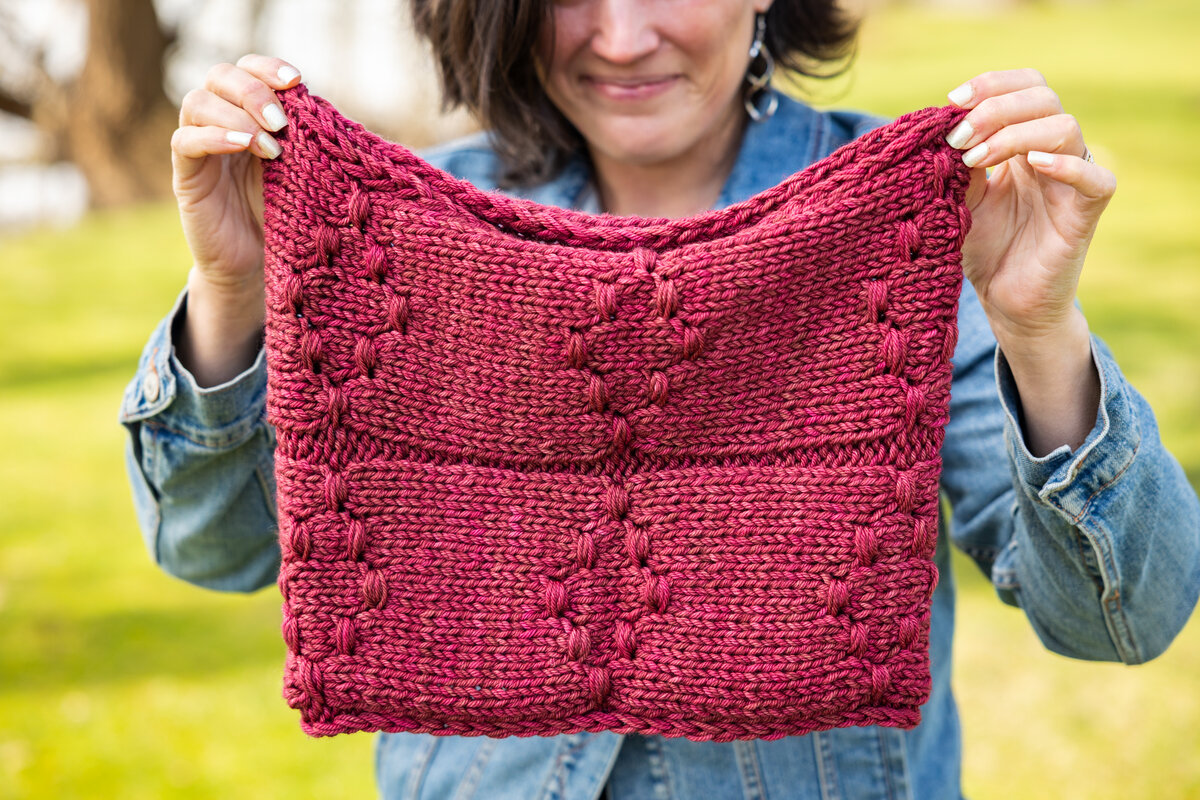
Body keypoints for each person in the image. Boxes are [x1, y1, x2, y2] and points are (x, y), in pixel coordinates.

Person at [118, 1, 1200, 798]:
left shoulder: (915, 239)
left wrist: (1038, 328)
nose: (623, 35)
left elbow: (1125, 618)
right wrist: (231, 292)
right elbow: (216, 549)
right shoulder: (396, 238)